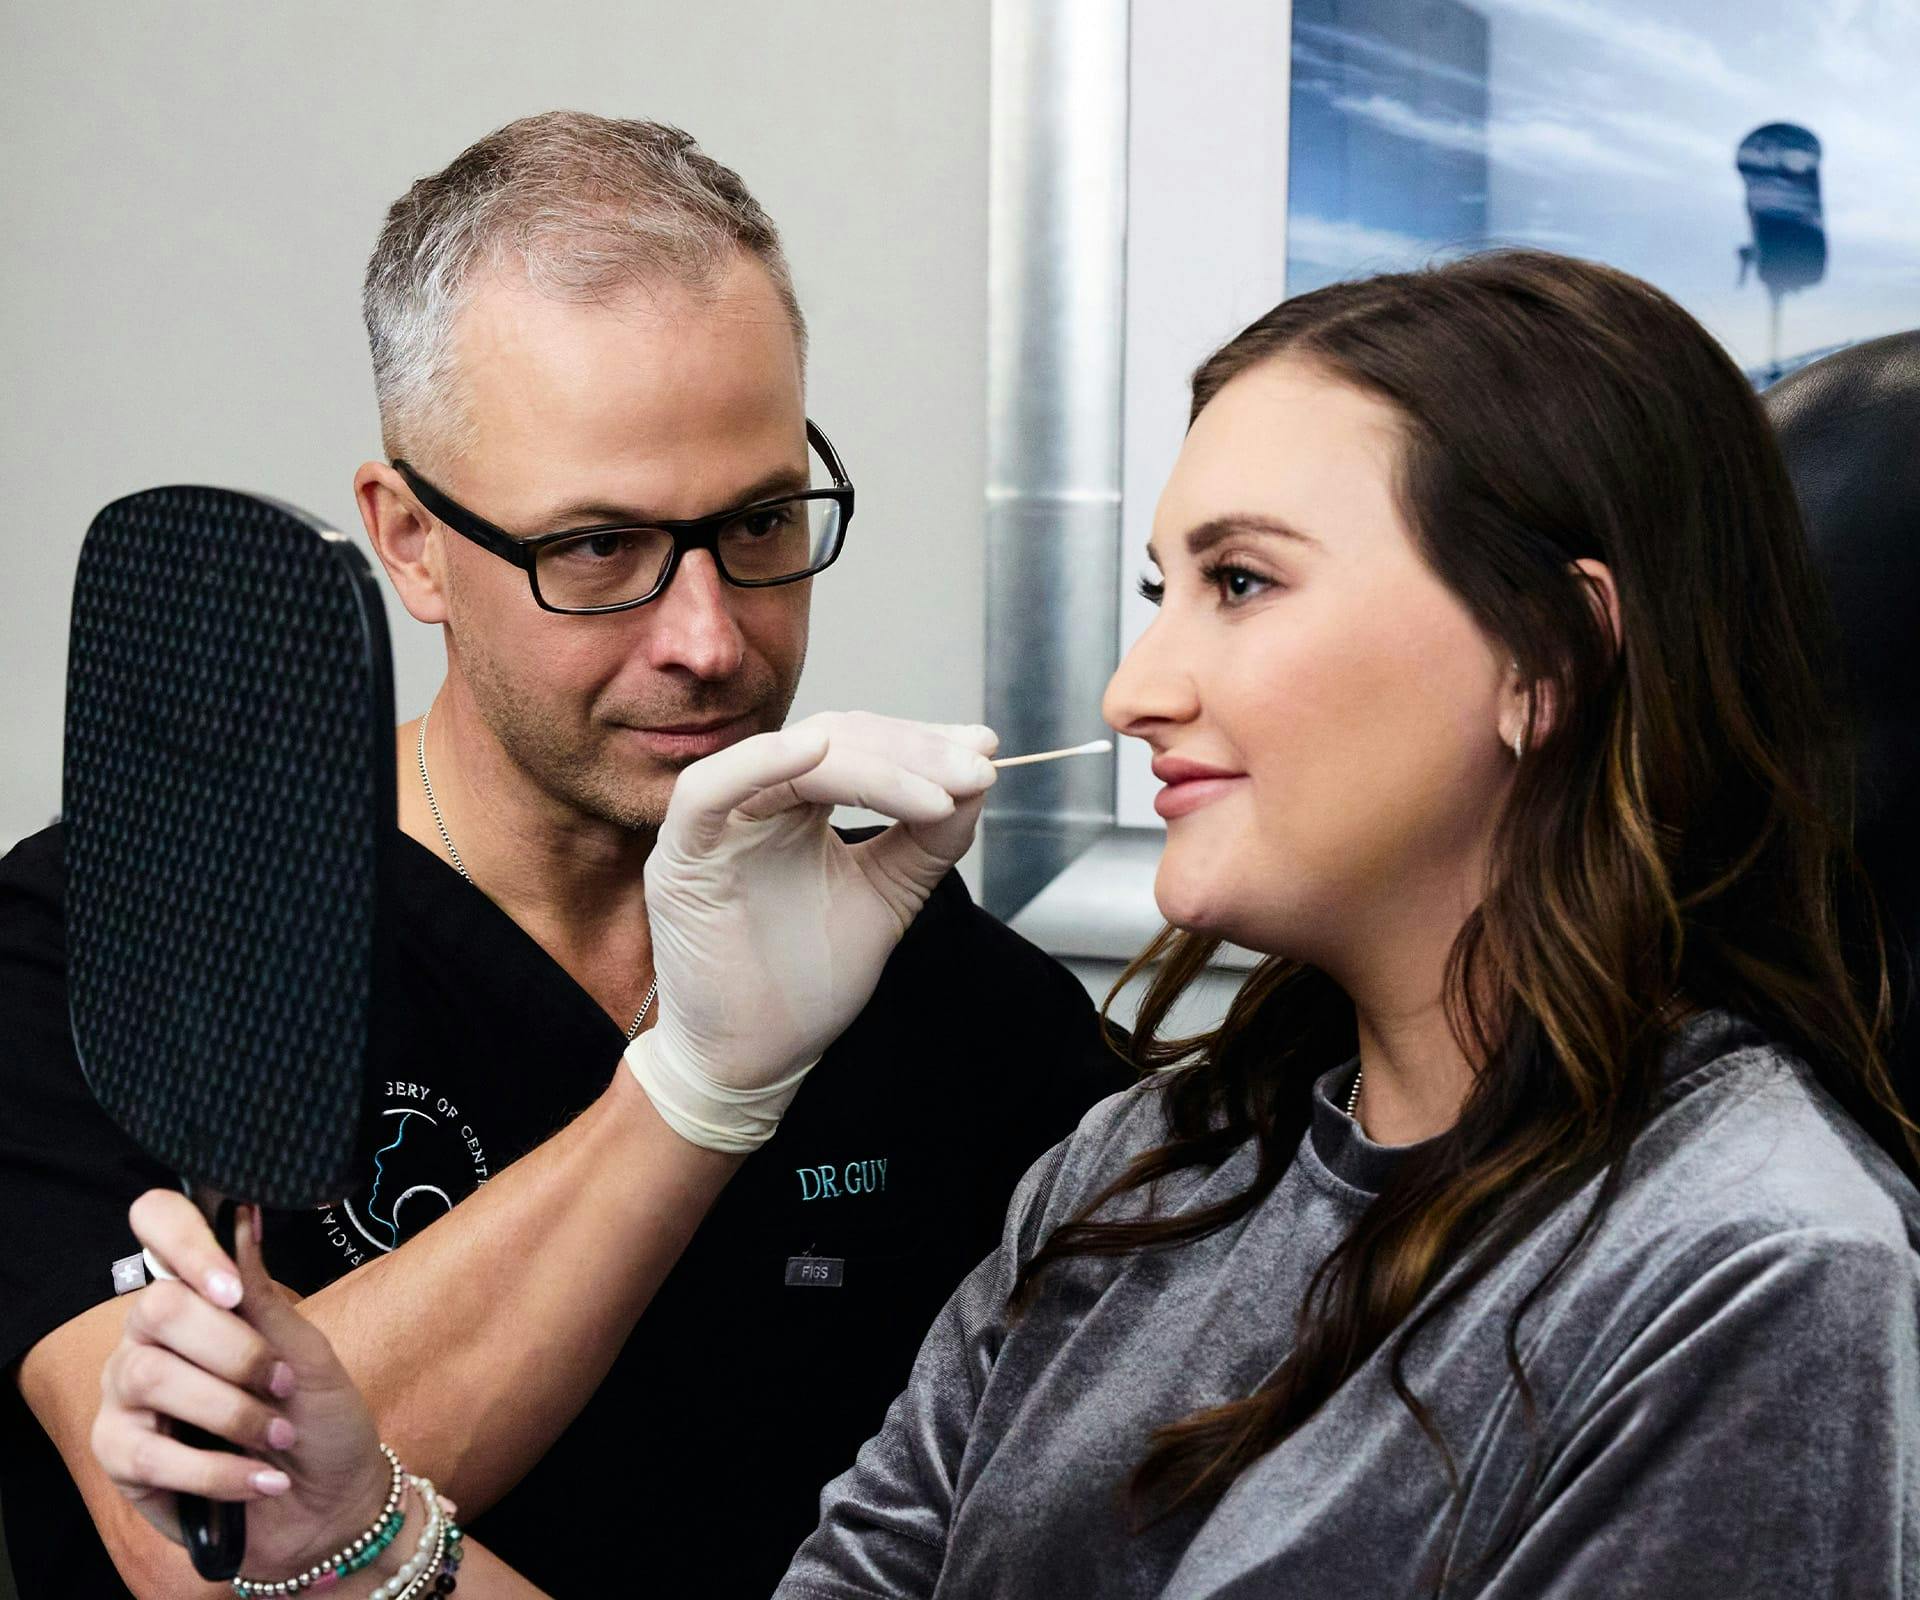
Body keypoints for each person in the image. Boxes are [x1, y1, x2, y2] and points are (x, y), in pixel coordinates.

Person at [97, 249, 1920, 1597]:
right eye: (1158, 589)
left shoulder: (1755, 1263)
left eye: (1241, 584)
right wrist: (360, 1526)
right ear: (410, 542)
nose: (1135, 686)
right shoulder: (1140, 1170)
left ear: (1553, 655)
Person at [0, 112, 1130, 1599]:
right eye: (596, 548)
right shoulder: (114, 932)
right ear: (410, 541)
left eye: (764, 520)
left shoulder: (922, 974)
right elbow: (203, 1552)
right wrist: (701, 1091)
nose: (712, 640)